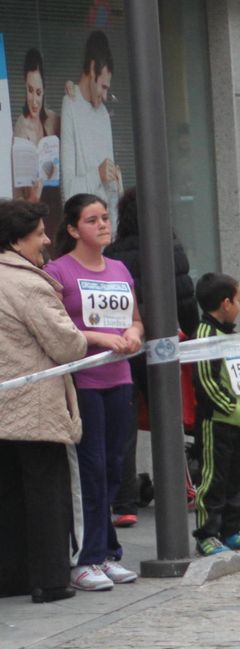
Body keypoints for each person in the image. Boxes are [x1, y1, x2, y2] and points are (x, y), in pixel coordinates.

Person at [0, 199, 123, 602]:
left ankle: (12, 577)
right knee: (47, 494)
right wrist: (96, 337)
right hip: (34, 406)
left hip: (5, 406)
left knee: (10, 497)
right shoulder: (28, 283)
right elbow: (65, 344)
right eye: (39, 233)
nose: (46, 240)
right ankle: (51, 580)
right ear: (17, 240)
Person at [45, 193, 143, 591]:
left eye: (105, 217)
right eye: (92, 220)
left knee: (115, 467)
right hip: (82, 383)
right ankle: (84, 558)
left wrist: (134, 334)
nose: (103, 225)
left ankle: (106, 553)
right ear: (72, 229)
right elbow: (54, 328)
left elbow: (136, 318)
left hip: (119, 378)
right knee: (90, 469)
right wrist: (99, 337)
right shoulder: (58, 271)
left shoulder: (119, 267)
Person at [104, 187, 201, 528]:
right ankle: (178, 488)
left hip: (126, 344)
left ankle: (125, 502)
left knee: (125, 426)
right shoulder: (169, 247)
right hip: (161, 342)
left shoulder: (113, 254)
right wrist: (194, 336)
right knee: (168, 417)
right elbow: (185, 299)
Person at [191, 272, 240, 557]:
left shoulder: (229, 335)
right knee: (213, 480)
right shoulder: (205, 335)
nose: (239, 304)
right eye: (237, 299)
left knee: (236, 477)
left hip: (239, 423)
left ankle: (232, 530)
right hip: (218, 423)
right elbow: (206, 380)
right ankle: (207, 534)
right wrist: (230, 407)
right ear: (225, 303)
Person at [58, 33, 121, 232]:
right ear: (92, 69)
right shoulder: (71, 103)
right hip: (83, 235)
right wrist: (98, 175)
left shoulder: (103, 114)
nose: (104, 95)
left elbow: (109, 189)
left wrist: (115, 183)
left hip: (106, 236)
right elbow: (68, 193)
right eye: (103, 86)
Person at [12, 48, 60, 205]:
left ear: (44, 90)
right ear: (24, 87)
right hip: (33, 206)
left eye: (38, 92)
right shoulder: (21, 126)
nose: (34, 101)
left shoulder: (53, 119)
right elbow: (17, 191)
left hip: (56, 204)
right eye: (30, 91)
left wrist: (71, 89)